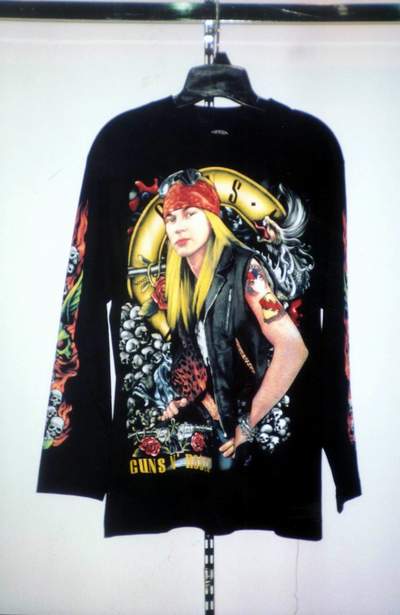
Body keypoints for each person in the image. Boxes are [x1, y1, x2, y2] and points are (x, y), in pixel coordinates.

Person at [159, 169, 308, 465]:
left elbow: (293, 349)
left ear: (211, 217)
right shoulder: (179, 284)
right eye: (171, 218)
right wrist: (187, 399)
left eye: (190, 213)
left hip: (254, 436)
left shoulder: (245, 269)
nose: (179, 227)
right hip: (209, 431)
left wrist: (248, 424)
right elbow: (200, 359)